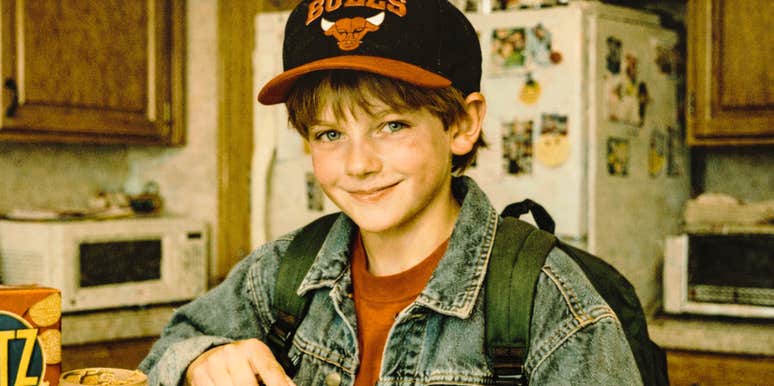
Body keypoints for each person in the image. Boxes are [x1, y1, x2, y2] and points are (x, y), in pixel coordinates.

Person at [139, 1, 642, 385]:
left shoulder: (549, 303)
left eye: (391, 125)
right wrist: (199, 361)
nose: (359, 164)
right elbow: (166, 351)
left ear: (463, 124)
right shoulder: (279, 272)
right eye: (329, 134)